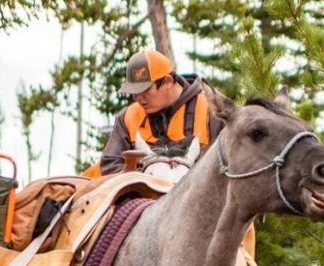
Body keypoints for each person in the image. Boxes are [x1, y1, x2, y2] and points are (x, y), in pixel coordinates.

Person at [97, 48, 227, 174]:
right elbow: (110, 165)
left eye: (145, 90)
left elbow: (230, 163)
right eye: (134, 92)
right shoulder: (127, 118)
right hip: (144, 193)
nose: (138, 98)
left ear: (168, 82)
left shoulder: (212, 111)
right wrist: (146, 175)